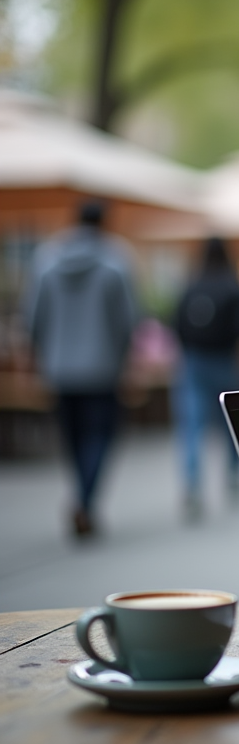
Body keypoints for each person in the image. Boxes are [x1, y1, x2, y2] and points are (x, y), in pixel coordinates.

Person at [23, 197, 139, 538]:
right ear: (104, 222)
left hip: (59, 368)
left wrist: (41, 354)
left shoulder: (46, 260)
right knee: (100, 436)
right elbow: (128, 320)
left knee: (73, 438)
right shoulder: (116, 261)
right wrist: (124, 359)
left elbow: (33, 317)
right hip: (103, 369)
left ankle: (82, 499)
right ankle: (85, 501)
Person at [171, 236, 239, 519]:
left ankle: (191, 484)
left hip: (193, 361)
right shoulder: (231, 287)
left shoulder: (191, 285)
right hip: (225, 361)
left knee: (191, 425)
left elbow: (176, 323)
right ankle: (231, 474)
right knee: (230, 424)